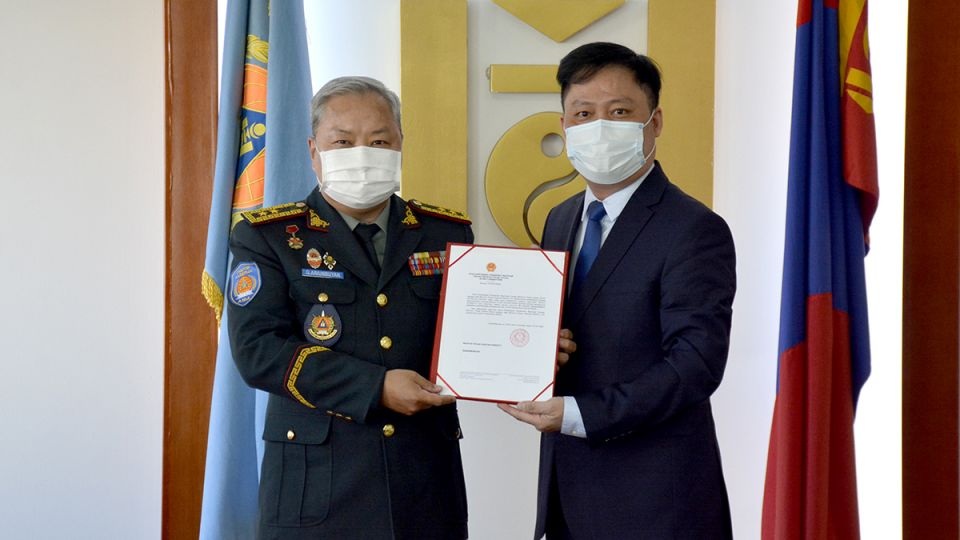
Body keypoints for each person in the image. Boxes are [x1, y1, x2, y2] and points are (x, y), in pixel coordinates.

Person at [499, 42, 737, 539]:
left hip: (658, 504)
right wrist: (531, 354)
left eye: (620, 111)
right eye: (583, 113)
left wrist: (580, 414)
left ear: (655, 122)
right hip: (567, 495)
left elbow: (695, 365)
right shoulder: (560, 218)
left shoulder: (693, 228)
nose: (599, 126)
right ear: (565, 126)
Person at [227, 76, 472, 539]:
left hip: (424, 485)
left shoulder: (447, 234)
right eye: (343, 141)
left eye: (379, 141)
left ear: (400, 145)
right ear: (314, 150)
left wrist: (532, 348)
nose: (362, 154)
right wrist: (375, 387)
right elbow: (258, 350)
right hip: (317, 489)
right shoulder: (269, 238)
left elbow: (473, 335)